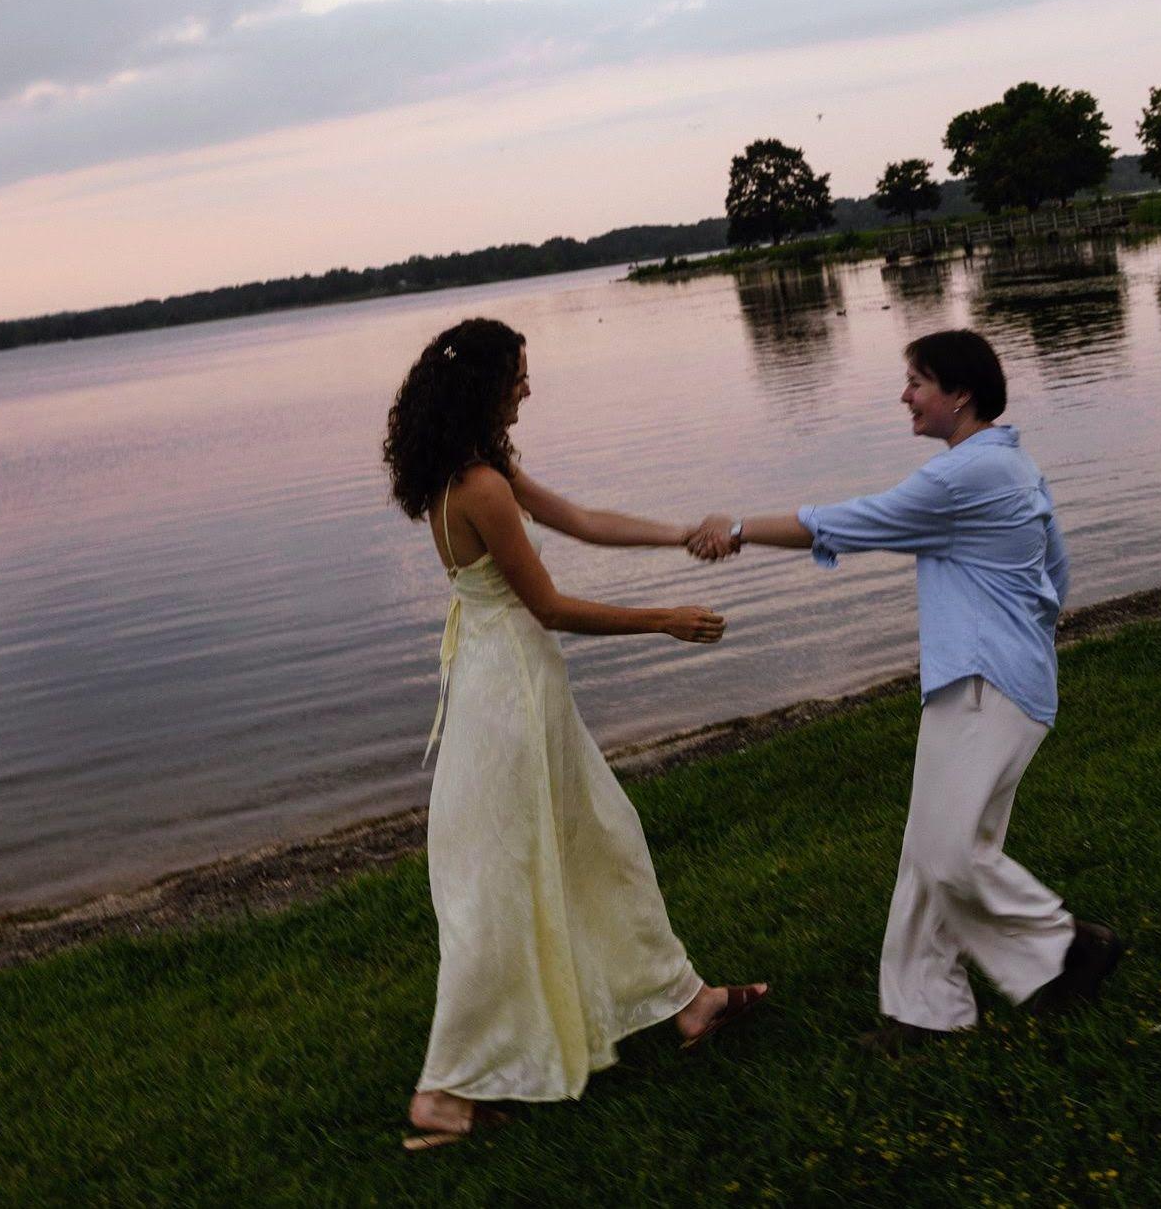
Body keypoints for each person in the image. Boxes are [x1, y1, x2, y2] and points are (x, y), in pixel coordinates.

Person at [383, 317, 766, 1150]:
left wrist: (681, 533)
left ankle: (688, 999)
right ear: (482, 385)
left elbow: (583, 519)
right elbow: (550, 607)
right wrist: (664, 619)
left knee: (601, 841)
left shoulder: (474, 471)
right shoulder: (480, 487)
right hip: (509, 696)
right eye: (518, 374)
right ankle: (441, 1092)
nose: (528, 386)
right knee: (502, 885)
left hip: (511, 684)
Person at [687, 328, 1120, 1049]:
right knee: (931, 851)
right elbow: (1058, 569)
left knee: (948, 853)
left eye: (917, 381)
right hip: (993, 678)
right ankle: (926, 1012)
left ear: (961, 393)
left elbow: (853, 520)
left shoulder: (962, 477)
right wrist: (1028, 636)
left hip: (985, 683)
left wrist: (736, 527)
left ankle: (1070, 946)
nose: (905, 395)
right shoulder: (1010, 463)